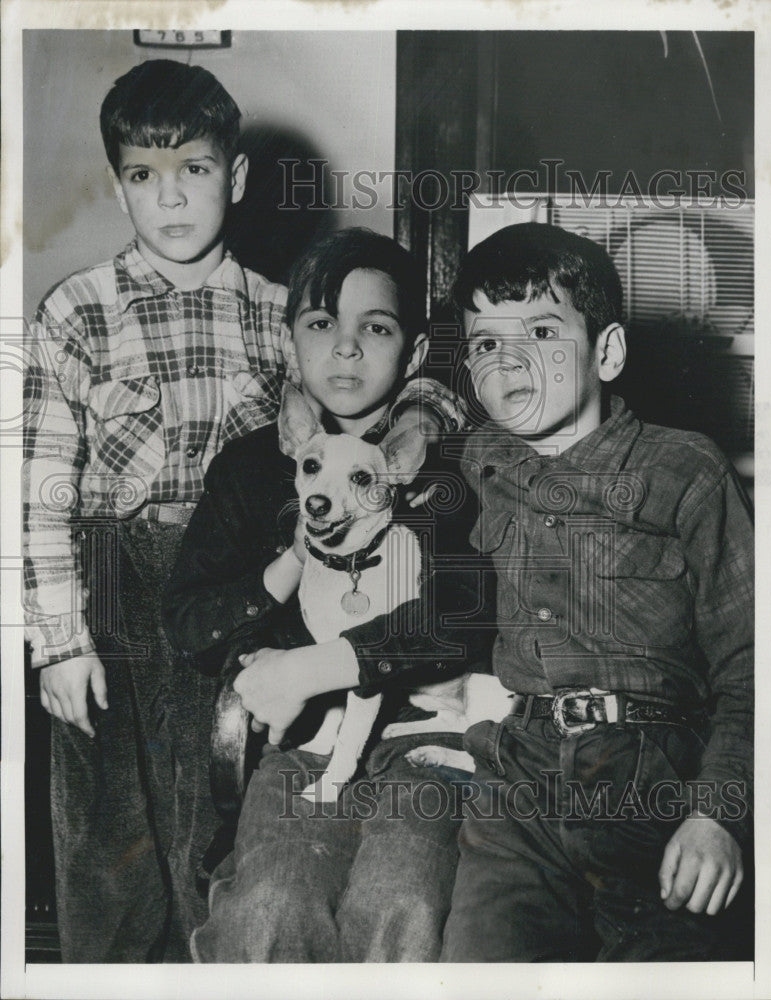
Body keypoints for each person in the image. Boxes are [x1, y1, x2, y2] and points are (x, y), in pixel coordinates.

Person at [23, 60, 464, 963]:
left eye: (196, 170)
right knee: (105, 839)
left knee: (209, 821)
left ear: (240, 178)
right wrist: (58, 642)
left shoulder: (281, 310)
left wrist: (425, 406)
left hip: (237, 586)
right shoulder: (76, 309)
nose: (171, 199)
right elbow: (37, 490)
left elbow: (399, 366)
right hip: (109, 585)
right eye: (145, 176)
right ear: (118, 187)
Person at [163, 227, 494, 962]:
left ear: (412, 353)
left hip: (426, 746)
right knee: (273, 903)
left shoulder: (446, 467)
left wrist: (321, 665)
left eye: (374, 328)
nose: (345, 349)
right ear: (290, 341)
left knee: (403, 900)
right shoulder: (249, 470)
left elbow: (469, 612)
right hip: (305, 746)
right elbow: (189, 621)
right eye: (321, 325)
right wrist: (278, 582)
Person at [439, 222, 753, 962]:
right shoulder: (482, 460)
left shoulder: (686, 470)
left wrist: (721, 815)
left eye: (544, 331)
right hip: (519, 785)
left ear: (606, 351)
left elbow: (753, 661)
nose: (510, 358)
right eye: (486, 343)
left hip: (658, 781)